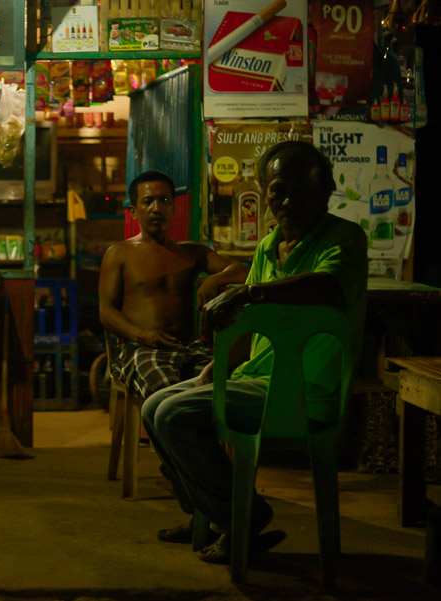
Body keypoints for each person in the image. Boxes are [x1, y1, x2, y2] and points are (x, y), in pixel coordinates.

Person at [142, 142, 367, 563]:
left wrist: (246, 292)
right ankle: (211, 515)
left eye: (304, 190)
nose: (289, 202)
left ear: (327, 193)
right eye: (278, 190)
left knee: (176, 416)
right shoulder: (268, 247)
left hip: (306, 389)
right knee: (155, 406)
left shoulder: (345, 238)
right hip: (256, 380)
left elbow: (326, 285)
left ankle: (240, 519)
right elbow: (252, 326)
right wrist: (218, 365)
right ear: (264, 193)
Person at [99, 170, 248, 404]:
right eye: (148, 201)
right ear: (134, 211)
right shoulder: (119, 254)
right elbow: (106, 311)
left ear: (173, 207)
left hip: (190, 348)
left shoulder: (191, 252)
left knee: (230, 384)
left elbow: (243, 272)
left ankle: (197, 437)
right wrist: (144, 336)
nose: (157, 208)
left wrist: (214, 279)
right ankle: (184, 435)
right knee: (172, 397)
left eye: (164, 200)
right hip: (141, 349)